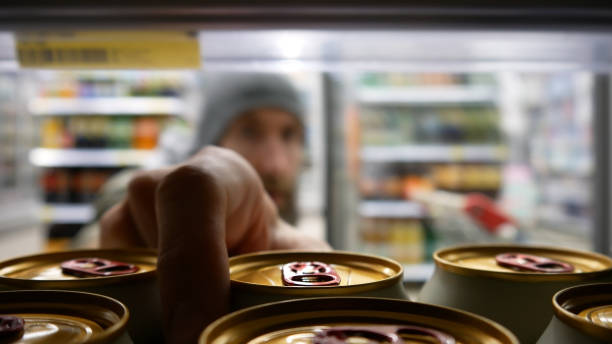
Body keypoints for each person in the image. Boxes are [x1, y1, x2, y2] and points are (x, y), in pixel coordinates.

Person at [98, 73, 330, 343]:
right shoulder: (152, 212)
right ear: (213, 143)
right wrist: (130, 239)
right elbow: (123, 203)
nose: (274, 165)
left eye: (289, 134)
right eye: (250, 132)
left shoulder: (305, 242)